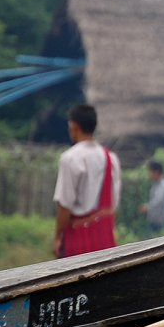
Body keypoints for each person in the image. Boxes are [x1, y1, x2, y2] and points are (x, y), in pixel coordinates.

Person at [53, 104, 121, 259]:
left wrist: (57, 237)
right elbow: (113, 205)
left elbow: (65, 204)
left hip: (78, 238)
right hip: (105, 237)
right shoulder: (111, 158)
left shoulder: (70, 158)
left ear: (74, 127)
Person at [139, 160, 164, 232]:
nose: (149, 174)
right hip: (155, 221)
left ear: (156, 172)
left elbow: (158, 201)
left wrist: (147, 207)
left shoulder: (163, 185)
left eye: (150, 171)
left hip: (162, 222)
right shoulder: (156, 184)